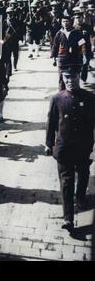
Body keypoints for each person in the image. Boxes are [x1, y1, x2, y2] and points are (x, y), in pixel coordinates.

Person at [45, 66, 95, 233]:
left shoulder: (90, 98)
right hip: (64, 149)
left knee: (83, 175)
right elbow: (51, 124)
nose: (70, 81)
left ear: (78, 77)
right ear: (63, 79)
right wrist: (48, 144)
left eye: (73, 78)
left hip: (83, 148)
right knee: (66, 183)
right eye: (66, 78)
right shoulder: (57, 99)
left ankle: (80, 197)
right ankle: (68, 218)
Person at [51, 16, 87, 91]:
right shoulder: (59, 34)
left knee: (75, 77)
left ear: (71, 22)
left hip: (75, 59)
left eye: (67, 21)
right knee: (62, 78)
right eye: (64, 21)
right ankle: (62, 94)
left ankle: (75, 95)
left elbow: (82, 43)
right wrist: (54, 58)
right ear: (61, 23)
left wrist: (84, 55)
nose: (65, 23)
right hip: (62, 60)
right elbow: (55, 46)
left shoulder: (76, 32)